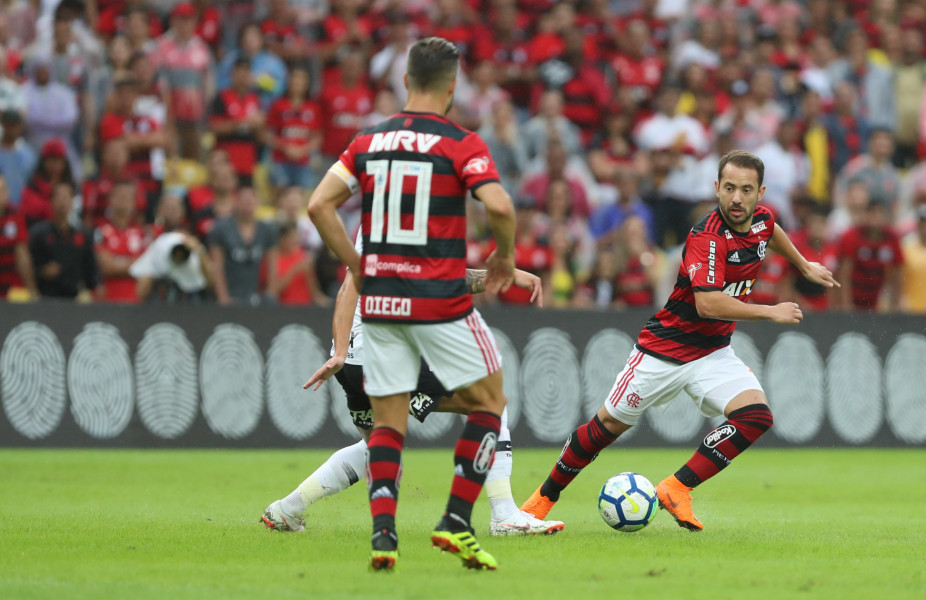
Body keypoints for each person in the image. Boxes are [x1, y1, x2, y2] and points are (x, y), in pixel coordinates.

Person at [519, 151, 839, 532]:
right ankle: (540, 501)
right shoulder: (708, 237)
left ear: (760, 193)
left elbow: (770, 231)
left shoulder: (763, 220)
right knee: (603, 429)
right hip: (664, 351)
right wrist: (770, 311)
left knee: (756, 417)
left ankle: (676, 488)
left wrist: (804, 265)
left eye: (747, 190)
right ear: (716, 188)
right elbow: (707, 304)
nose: (737, 198)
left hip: (713, 353)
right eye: (730, 188)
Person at [307, 37, 517, 571]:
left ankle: (384, 536)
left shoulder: (368, 140)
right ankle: (454, 520)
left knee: (388, 422)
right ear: (452, 86)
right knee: (490, 402)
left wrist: (359, 266)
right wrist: (506, 258)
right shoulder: (461, 142)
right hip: (440, 301)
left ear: (405, 82)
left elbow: (319, 205)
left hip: (380, 308)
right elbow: (499, 204)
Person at [260, 253, 562, 536]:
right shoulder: (407, 220)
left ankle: (288, 509)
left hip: (352, 360)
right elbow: (444, 280)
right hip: (385, 355)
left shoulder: (371, 227)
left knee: (377, 445)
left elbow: (347, 289)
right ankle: (504, 514)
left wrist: (339, 352)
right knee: (490, 403)